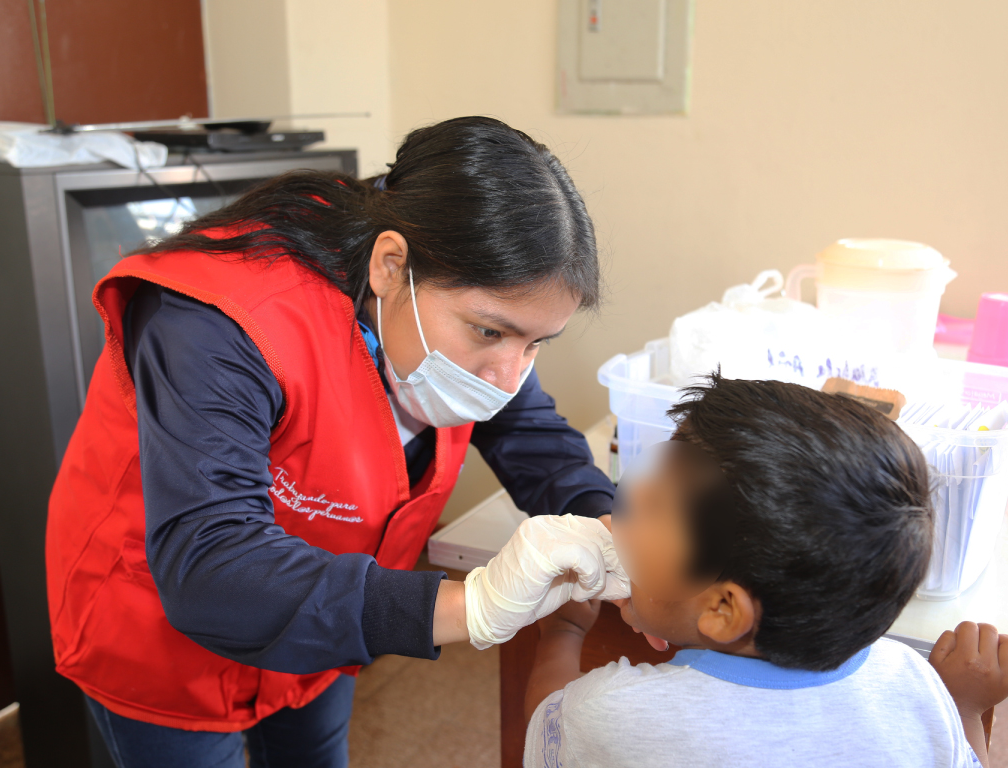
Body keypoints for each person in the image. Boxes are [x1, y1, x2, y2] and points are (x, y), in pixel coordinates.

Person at [45, 116, 628, 768]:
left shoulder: (461, 309)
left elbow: (527, 430)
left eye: (536, 343)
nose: (510, 373)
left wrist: (615, 534)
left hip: (320, 610)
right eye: (491, 334)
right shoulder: (217, 322)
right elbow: (211, 568)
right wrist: (474, 604)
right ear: (389, 266)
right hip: (157, 624)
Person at [523, 375, 1008, 767]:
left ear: (723, 609)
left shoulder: (614, 716)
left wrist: (562, 635)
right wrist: (961, 709)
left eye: (651, 506)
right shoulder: (916, 686)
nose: (615, 521)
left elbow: (546, 733)